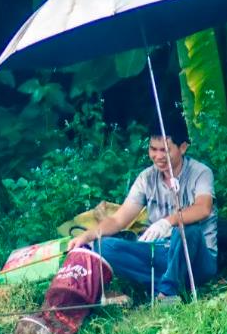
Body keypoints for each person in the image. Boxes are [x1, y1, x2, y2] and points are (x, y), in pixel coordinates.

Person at [67, 115, 217, 302]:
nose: (158, 156)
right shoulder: (146, 178)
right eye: (153, 149)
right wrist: (86, 236)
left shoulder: (200, 172)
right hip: (159, 253)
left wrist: (167, 222)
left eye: (165, 150)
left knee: (187, 230)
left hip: (196, 259)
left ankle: (167, 293)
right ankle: (165, 284)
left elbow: (203, 208)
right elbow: (118, 220)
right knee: (102, 246)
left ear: (183, 147)